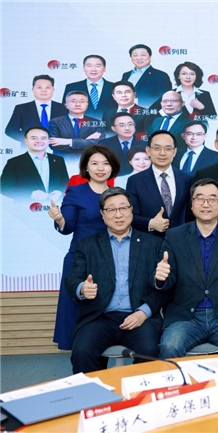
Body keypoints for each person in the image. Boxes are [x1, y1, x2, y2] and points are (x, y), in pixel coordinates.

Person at [66, 187, 165, 373]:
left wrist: (143, 313)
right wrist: (82, 289)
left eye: (123, 208)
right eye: (111, 209)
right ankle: (94, 392)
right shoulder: (87, 245)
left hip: (139, 316)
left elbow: (162, 289)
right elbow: (73, 279)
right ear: (102, 214)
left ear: (131, 210)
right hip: (99, 317)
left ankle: (138, 392)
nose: (118, 215)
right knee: (82, 352)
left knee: (150, 351)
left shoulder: (153, 244)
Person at [156, 179, 218, 357]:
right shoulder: (175, 236)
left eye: (212, 199)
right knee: (169, 346)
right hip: (186, 316)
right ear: (192, 204)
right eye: (200, 198)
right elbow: (167, 281)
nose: (205, 204)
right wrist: (161, 278)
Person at [47, 145, 121, 350]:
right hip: (80, 261)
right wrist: (59, 219)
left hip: (112, 259)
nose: (100, 168)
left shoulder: (119, 195)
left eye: (106, 163)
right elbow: (67, 227)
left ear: (113, 167)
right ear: (86, 167)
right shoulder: (76, 191)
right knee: (77, 320)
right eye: (95, 163)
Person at [126, 131, 192, 238]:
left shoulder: (186, 179)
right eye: (157, 148)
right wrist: (150, 223)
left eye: (167, 148)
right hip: (149, 241)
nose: (162, 153)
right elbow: (130, 215)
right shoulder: (135, 181)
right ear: (148, 151)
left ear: (174, 152)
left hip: (181, 241)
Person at [1, 126, 69, 200]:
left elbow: (66, 183)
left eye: (43, 138)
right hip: (26, 205)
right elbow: (4, 187)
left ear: (48, 140)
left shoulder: (58, 160)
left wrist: (60, 192)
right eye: (34, 138)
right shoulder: (14, 162)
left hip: (55, 205)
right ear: (26, 141)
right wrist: (29, 194)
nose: (39, 141)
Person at [5, 75, 67, 143]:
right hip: (30, 148)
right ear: (33, 90)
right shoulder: (21, 109)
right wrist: (30, 140)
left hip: (58, 148)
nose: (43, 90)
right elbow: (10, 130)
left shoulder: (64, 108)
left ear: (53, 90)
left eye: (47, 87)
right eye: (39, 87)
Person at [150, 62, 217, 121]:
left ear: (197, 76)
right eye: (184, 74)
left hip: (198, 131)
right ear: (178, 76)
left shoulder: (204, 94)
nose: (188, 77)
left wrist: (201, 108)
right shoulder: (170, 94)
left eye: (192, 74)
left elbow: (213, 118)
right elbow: (151, 111)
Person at [48, 91, 105, 158]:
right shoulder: (54, 122)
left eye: (82, 101)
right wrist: (86, 141)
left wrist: (69, 141)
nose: (78, 104)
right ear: (66, 105)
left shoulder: (97, 123)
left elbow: (99, 145)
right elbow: (53, 145)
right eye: (73, 101)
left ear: (87, 105)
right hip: (64, 160)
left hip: (88, 159)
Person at [61, 54, 116, 120]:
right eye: (89, 66)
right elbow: (64, 111)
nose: (93, 69)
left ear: (104, 68)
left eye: (98, 66)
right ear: (83, 68)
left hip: (108, 125)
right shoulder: (71, 87)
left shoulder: (115, 87)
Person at [121, 44, 172, 109]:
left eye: (143, 55)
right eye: (135, 55)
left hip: (148, 112)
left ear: (150, 57)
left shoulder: (160, 75)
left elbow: (164, 98)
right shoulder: (126, 75)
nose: (139, 58)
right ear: (131, 58)